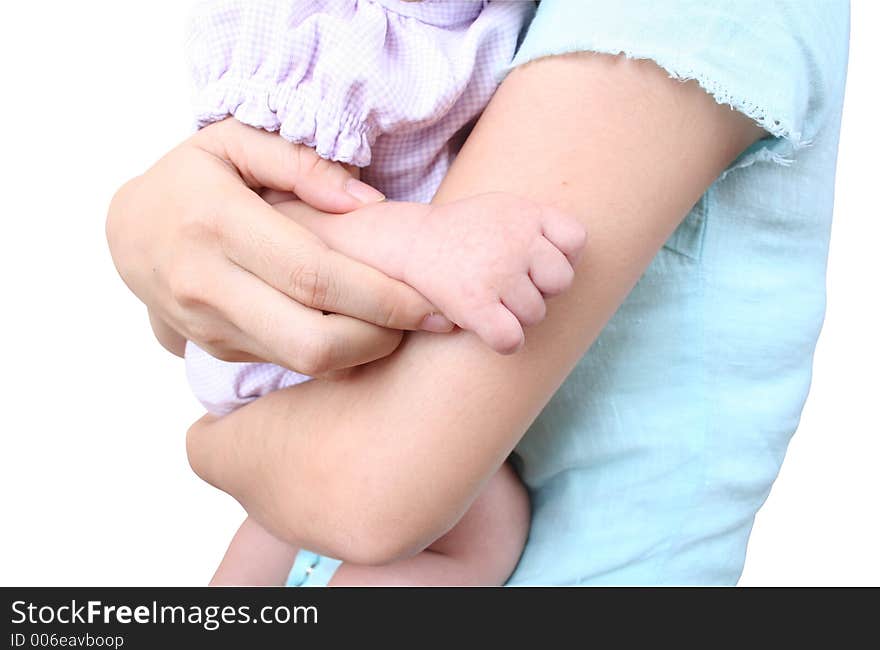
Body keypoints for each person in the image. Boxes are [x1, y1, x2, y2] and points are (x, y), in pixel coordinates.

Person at [107, 0, 850, 585]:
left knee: (463, 526)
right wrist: (153, 226)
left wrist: (212, 446)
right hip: (318, 347)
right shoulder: (348, 38)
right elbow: (262, 220)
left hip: (346, 406)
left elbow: (365, 489)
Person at [182, 0, 586, 586]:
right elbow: (252, 213)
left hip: (351, 371)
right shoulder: (341, 36)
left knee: (278, 538)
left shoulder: (483, 29)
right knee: (480, 525)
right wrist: (423, 244)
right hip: (306, 350)